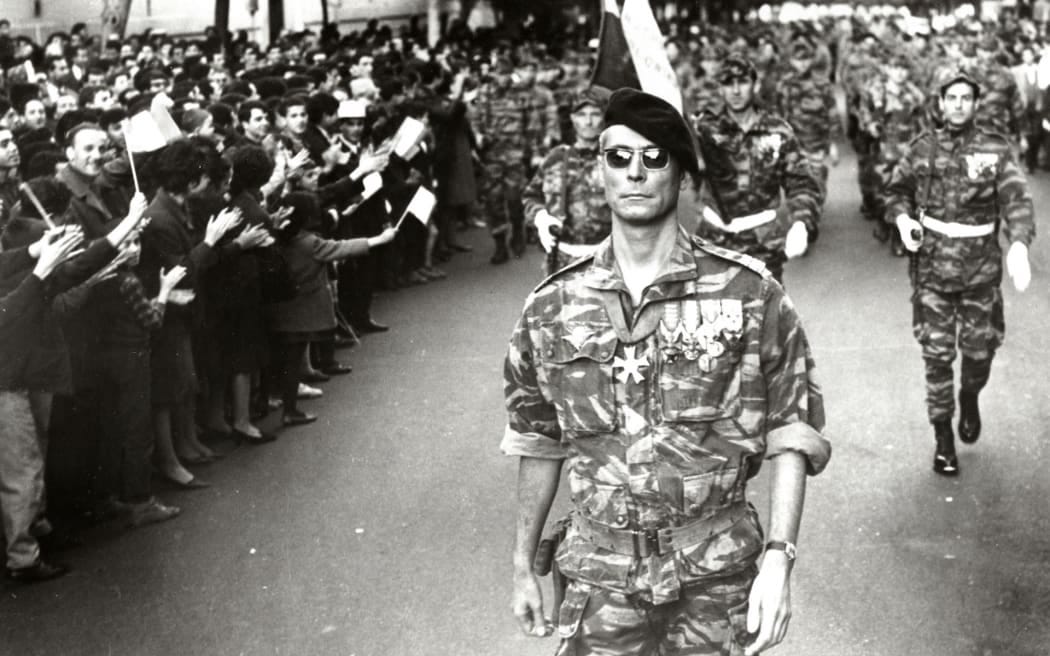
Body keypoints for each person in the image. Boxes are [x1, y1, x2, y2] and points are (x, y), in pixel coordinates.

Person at [503, 88, 830, 656]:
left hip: (715, 579)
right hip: (599, 578)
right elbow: (538, 440)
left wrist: (781, 556)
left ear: (679, 175)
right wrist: (521, 563)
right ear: (598, 170)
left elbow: (792, 429)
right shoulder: (552, 305)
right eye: (618, 157)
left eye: (654, 158)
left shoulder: (749, 293)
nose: (635, 173)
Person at [886, 70, 1035, 476]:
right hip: (932, 271)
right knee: (936, 358)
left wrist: (1019, 243)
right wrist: (902, 221)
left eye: (966, 98)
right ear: (940, 102)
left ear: (975, 103)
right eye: (951, 97)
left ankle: (969, 396)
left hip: (980, 272)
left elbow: (1017, 199)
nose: (957, 104)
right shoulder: (922, 149)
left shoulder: (994, 149)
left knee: (979, 352)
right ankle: (943, 438)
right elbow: (895, 192)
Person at [693, 55, 823, 283]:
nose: (735, 90)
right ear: (720, 89)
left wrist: (801, 222)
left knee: (766, 314)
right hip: (714, 241)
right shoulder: (705, 130)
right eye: (727, 83)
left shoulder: (778, 131)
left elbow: (801, 182)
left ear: (756, 84)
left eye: (742, 82)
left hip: (762, 243)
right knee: (715, 315)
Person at [524, 86, 611, 275]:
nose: (588, 121)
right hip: (561, 260)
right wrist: (540, 216)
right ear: (572, 118)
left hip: (607, 260)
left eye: (595, 114)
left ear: (604, 118)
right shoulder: (556, 158)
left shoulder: (617, 159)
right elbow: (530, 196)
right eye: (581, 114)